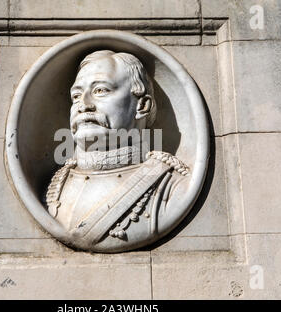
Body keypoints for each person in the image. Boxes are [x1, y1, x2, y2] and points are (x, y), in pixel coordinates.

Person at [46, 50, 189, 252]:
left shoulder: (173, 188)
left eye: (100, 91)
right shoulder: (52, 190)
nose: (83, 106)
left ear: (142, 105)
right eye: (76, 96)